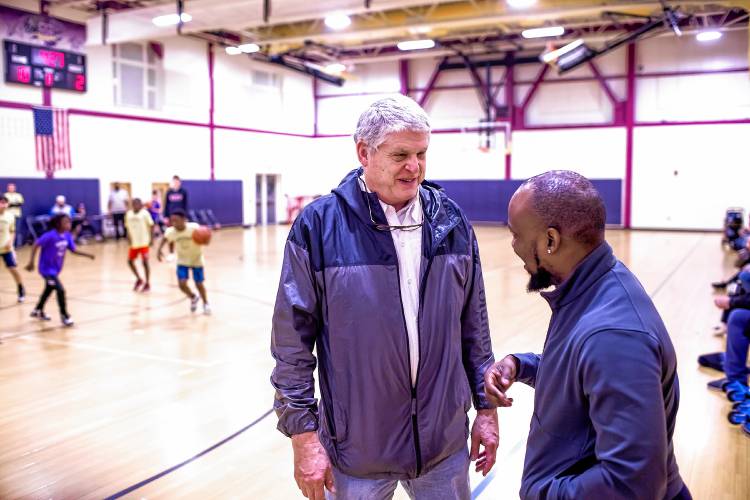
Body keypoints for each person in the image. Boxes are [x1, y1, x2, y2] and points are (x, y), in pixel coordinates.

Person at [270, 95, 497, 500]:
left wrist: (486, 408)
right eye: (401, 154)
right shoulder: (318, 227)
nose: (415, 167)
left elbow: (474, 327)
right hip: (357, 449)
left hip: (443, 446)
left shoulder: (451, 221)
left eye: (422, 153)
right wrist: (303, 436)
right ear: (364, 152)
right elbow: (292, 344)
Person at [484, 170, 689, 500]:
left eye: (516, 235)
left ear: (551, 241)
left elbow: (633, 485)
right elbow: (582, 374)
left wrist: (541, 492)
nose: (514, 246)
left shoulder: (613, 336)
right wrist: (521, 365)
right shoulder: (593, 287)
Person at [25, 213, 95, 327]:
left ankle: (38, 310)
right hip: (46, 270)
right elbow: (35, 244)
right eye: (66, 222)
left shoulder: (67, 236)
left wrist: (88, 255)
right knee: (60, 290)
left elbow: (73, 250)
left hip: (55, 270)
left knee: (49, 288)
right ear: (58, 224)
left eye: (69, 222)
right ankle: (65, 316)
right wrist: (31, 262)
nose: (69, 224)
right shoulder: (50, 236)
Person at [157, 209, 209, 314]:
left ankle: (205, 303)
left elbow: (206, 236)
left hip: (196, 259)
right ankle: (193, 297)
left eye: (176, 220)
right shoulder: (171, 231)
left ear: (184, 220)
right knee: (181, 284)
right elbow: (165, 238)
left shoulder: (194, 228)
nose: (174, 223)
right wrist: (159, 250)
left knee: (199, 283)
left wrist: (206, 240)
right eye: (172, 221)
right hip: (182, 261)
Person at [125, 198, 154, 292]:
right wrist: (128, 237)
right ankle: (139, 279)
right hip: (134, 242)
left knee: (145, 262)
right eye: (134, 204)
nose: (136, 206)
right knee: (130, 261)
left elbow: (151, 225)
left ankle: (147, 283)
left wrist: (152, 239)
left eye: (138, 204)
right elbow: (127, 227)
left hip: (144, 242)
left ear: (141, 205)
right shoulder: (128, 214)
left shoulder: (145, 213)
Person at [0, 195, 26, 303]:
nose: (3, 205)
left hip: (6, 248)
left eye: (5, 203)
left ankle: (20, 288)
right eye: (1, 202)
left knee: (13, 269)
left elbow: (12, 231)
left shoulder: (10, 216)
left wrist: (10, 243)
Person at [4, 183, 24, 247]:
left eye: (12, 188)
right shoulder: (4, 195)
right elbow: (5, 205)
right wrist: (13, 204)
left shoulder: (19, 195)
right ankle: (7, 245)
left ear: (15, 188)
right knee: (7, 230)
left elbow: (20, 204)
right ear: (7, 188)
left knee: (16, 230)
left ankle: (16, 245)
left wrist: (10, 204)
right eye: (10, 188)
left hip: (16, 215)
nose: (11, 189)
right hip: (7, 216)